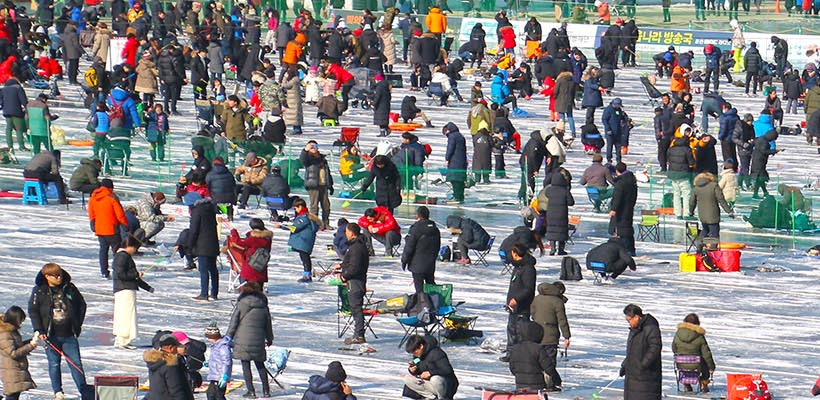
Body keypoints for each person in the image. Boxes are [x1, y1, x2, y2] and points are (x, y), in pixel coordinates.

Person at [28, 263, 88, 399]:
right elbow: (33, 310)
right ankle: (58, 391)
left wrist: (77, 324)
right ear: (47, 276)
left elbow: (81, 305)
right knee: (54, 364)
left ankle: (84, 391)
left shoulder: (69, 288)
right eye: (55, 276)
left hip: (69, 334)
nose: (59, 278)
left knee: (76, 364)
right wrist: (39, 329)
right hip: (50, 335)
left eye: (59, 275)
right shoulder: (39, 291)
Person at [226, 281, 273, 399]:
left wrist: (228, 337)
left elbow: (234, 322)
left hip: (243, 339)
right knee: (260, 365)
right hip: (258, 340)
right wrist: (269, 338)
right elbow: (268, 325)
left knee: (246, 366)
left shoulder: (241, 304)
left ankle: (251, 391)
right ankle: (266, 391)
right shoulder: (263, 305)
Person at [529, 281, 571, 391]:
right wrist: (566, 337)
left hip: (536, 334)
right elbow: (562, 320)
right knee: (550, 361)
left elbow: (532, 313)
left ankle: (538, 382)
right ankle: (550, 385)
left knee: (538, 360)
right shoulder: (557, 302)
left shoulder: (537, 298)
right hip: (551, 336)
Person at [502, 243, 536, 362]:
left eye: (512, 253)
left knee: (521, 331)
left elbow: (528, 289)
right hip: (513, 306)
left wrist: (516, 299)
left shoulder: (528, 269)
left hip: (522, 306)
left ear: (516, 254)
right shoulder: (518, 266)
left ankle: (520, 355)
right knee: (512, 330)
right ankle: (511, 353)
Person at [183, 192, 219, 302]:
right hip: (213, 242)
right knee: (213, 269)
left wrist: (189, 246)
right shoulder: (210, 208)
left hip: (202, 244)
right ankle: (214, 293)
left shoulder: (197, 211)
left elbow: (193, 231)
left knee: (203, 270)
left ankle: (204, 294)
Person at [620, 304, 662, 400]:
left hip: (646, 376)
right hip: (634, 375)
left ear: (637, 317)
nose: (629, 323)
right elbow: (633, 350)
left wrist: (643, 364)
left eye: (629, 320)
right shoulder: (635, 329)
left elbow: (655, 347)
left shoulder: (650, 327)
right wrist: (626, 364)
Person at [112, 235, 147, 349]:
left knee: (124, 314)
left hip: (124, 289)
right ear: (129, 246)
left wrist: (147, 287)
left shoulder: (123, 256)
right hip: (125, 289)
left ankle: (122, 339)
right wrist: (136, 274)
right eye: (135, 248)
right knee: (126, 315)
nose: (135, 250)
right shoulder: (122, 256)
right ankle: (123, 340)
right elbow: (121, 274)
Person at [88, 179, 128, 278]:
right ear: (110, 187)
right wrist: (125, 225)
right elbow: (120, 214)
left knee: (103, 250)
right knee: (117, 251)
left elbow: (91, 214)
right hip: (112, 229)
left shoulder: (93, 197)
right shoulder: (112, 197)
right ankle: (118, 271)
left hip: (100, 229)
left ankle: (104, 271)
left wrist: (93, 225)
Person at [338, 223, 370, 345]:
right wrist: (342, 265)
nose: (345, 234)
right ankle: (358, 334)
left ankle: (359, 335)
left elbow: (355, 266)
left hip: (356, 281)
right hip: (357, 280)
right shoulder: (356, 246)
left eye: (346, 232)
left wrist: (344, 276)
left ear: (351, 233)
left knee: (356, 308)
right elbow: (351, 261)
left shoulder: (356, 247)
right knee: (355, 308)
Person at [401, 206, 440, 305]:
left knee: (419, 288)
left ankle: (423, 306)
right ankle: (436, 303)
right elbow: (437, 246)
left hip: (417, 263)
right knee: (431, 284)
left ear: (418, 215)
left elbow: (409, 247)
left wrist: (404, 260)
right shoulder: (435, 229)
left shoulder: (415, 229)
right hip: (430, 263)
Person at [402, 335, 459, 399]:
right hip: (430, 384)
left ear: (421, 346)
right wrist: (413, 370)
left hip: (446, 386)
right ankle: (431, 397)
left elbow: (447, 370)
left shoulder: (437, 353)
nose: (414, 354)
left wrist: (430, 373)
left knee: (435, 379)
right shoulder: (418, 356)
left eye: (415, 352)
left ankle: (443, 398)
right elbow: (418, 370)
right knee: (407, 379)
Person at [0, 306, 38, 400]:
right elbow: (13, 353)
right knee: (12, 395)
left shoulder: (11, 330)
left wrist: (31, 341)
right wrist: (30, 346)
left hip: (15, 369)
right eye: (20, 320)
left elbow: (17, 346)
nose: (21, 323)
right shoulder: (5, 333)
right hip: (11, 369)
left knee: (14, 395)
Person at [672, 314, 716, 393]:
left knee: (685, 365)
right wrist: (711, 367)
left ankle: (686, 384)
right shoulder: (699, 336)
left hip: (681, 364)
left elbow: (674, 348)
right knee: (704, 364)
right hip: (696, 365)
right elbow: (706, 354)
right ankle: (704, 382)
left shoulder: (678, 334)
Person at [143, 334, 195, 400]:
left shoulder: (156, 361)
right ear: (171, 348)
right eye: (177, 346)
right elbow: (176, 390)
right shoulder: (170, 365)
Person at [285, 197, 320, 283]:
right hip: (304, 241)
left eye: (296, 208)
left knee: (305, 258)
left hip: (304, 241)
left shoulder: (303, 218)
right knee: (304, 257)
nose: (295, 210)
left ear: (300, 207)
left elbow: (295, 228)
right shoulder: (305, 216)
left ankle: (307, 275)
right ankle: (307, 274)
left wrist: (282, 226)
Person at [690, 172, 734, 240]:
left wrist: (691, 212)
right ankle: (711, 246)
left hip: (702, 215)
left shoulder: (696, 188)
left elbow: (692, 202)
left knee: (705, 230)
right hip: (713, 215)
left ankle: (700, 244)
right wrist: (729, 211)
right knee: (714, 235)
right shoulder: (714, 186)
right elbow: (721, 199)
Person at [508, 321, 550, 391]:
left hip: (520, 385)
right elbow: (548, 367)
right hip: (537, 385)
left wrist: (520, 376)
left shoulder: (515, 348)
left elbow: (512, 368)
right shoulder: (538, 348)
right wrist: (557, 380)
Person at [228, 218, 273, 284]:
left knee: (249, 285)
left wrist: (233, 230)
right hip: (261, 267)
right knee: (259, 286)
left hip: (251, 268)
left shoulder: (254, 239)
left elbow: (238, 242)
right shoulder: (267, 238)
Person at [301, 140, 333, 230]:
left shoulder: (322, 158)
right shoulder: (308, 159)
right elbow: (303, 159)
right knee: (314, 206)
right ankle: (314, 224)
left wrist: (330, 185)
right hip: (313, 185)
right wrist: (305, 150)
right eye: (312, 147)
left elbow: (328, 172)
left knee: (326, 206)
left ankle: (326, 223)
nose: (314, 149)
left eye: (315, 146)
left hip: (323, 185)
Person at [609, 162, 638, 255]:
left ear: (617, 171)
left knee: (621, 229)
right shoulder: (632, 181)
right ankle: (631, 249)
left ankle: (625, 250)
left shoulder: (620, 183)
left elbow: (617, 197)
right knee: (628, 227)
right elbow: (635, 196)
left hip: (620, 209)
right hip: (629, 207)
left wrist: (613, 209)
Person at [544, 169, 575, 256]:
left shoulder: (549, 190)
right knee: (562, 230)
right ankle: (561, 250)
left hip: (551, 214)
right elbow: (571, 202)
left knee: (551, 230)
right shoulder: (565, 191)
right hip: (562, 214)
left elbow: (546, 194)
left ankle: (552, 249)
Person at [667, 131, 696, 218]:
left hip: (673, 174)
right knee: (686, 194)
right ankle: (687, 213)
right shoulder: (687, 149)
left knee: (676, 194)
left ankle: (678, 213)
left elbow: (668, 159)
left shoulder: (671, 149)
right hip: (684, 175)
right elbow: (691, 163)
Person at [204, 323, 233, 400]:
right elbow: (216, 359)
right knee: (210, 394)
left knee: (217, 396)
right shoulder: (215, 345)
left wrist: (225, 376)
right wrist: (209, 363)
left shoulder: (223, 347)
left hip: (219, 376)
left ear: (214, 337)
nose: (208, 340)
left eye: (209, 338)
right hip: (214, 375)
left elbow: (227, 362)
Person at [750, 129, 780, 198]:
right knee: (761, 178)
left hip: (757, 160)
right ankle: (759, 194)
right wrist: (775, 151)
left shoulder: (760, 138)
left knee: (760, 178)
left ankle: (763, 193)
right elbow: (764, 151)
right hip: (760, 161)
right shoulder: (764, 142)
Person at [443, 123, 468, 203]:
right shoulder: (461, 136)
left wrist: (447, 158)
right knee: (460, 181)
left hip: (454, 162)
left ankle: (456, 197)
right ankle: (460, 197)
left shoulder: (452, 136)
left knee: (455, 180)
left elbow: (450, 148)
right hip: (462, 161)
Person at [1, 77, 28, 151]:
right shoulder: (18, 88)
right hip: (17, 112)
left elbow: (1, 101)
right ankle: (21, 146)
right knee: (19, 129)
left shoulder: (3, 89)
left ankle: (10, 146)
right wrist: (26, 109)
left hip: (6, 112)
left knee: (8, 129)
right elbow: (24, 101)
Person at [732, 114, 756, 190]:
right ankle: (748, 184)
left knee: (744, 167)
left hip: (749, 149)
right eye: (749, 121)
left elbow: (753, 136)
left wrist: (753, 141)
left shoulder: (751, 128)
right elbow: (734, 138)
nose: (750, 123)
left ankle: (739, 184)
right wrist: (743, 144)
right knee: (745, 168)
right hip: (742, 150)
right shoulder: (740, 127)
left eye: (751, 121)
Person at [601, 98, 626, 163]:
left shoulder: (619, 110)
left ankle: (619, 160)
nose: (619, 107)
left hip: (618, 132)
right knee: (610, 146)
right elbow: (604, 120)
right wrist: (608, 129)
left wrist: (624, 117)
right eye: (618, 105)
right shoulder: (608, 110)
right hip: (610, 132)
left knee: (618, 146)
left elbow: (621, 117)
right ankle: (609, 159)